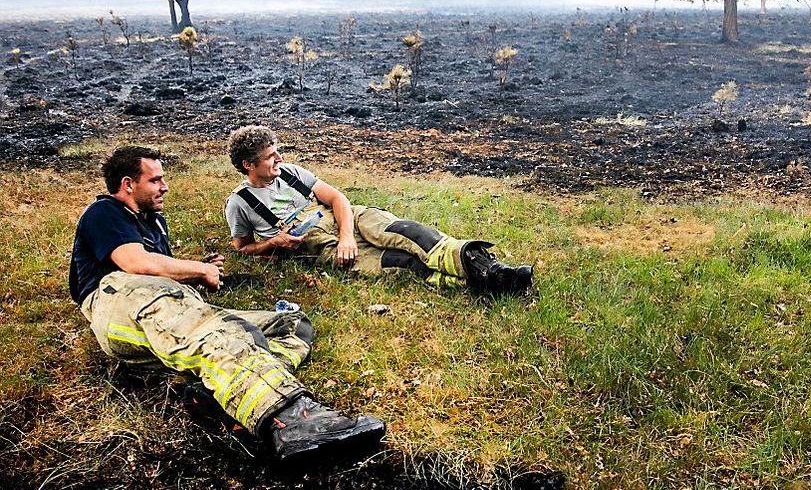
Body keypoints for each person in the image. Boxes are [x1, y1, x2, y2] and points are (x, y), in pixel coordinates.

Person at [70, 145, 385, 461]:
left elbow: (160, 273)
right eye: (155, 180)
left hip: (163, 303)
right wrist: (199, 269)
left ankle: (219, 396)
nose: (164, 187)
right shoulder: (105, 212)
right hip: (117, 299)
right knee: (217, 332)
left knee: (290, 324)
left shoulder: (154, 222)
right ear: (127, 184)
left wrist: (199, 271)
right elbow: (136, 263)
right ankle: (290, 418)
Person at [224, 125, 534, 295]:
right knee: (404, 263)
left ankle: (494, 269)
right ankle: (482, 283)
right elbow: (242, 248)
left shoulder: (291, 171)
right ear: (249, 165)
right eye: (270, 157)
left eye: (278, 152)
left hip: (350, 220)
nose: (279, 159)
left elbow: (338, 199)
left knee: (412, 234)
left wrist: (347, 234)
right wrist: (274, 243)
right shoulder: (240, 203)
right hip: (322, 246)